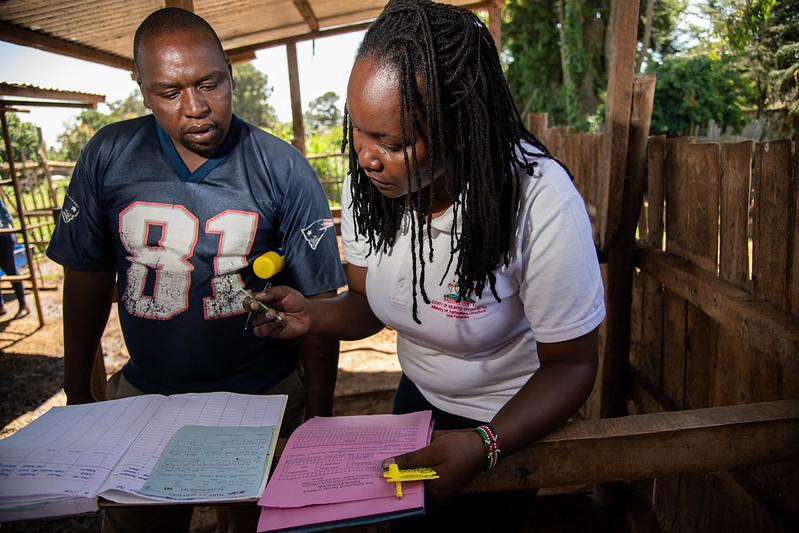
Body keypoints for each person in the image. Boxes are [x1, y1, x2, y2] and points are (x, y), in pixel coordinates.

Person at [247, 0, 605, 529]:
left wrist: (485, 445)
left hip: (507, 415)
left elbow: (572, 365)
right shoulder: (369, 185)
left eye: (391, 142)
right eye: (359, 131)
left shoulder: (537, 201)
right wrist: (312, 316)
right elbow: (371, 306)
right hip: (415, 403)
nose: (365, 157)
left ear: (460, 131)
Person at [46, 7, 346, 533]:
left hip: (260, 393)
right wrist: (77, 390)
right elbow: (87, 274)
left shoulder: (281, 167)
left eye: (211, 83)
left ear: (229, 70)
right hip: (146, 394)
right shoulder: (109, 155)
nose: (196, 108)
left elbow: (318, 306)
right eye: (169, 92)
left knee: (263, 523)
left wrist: (317, 419)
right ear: (140, 87)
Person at [0, 198, 29, 319]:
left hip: (2, 235)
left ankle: (23, 305)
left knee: (10, 269)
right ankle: (0, 306)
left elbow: (5, 215)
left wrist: (8, 228)